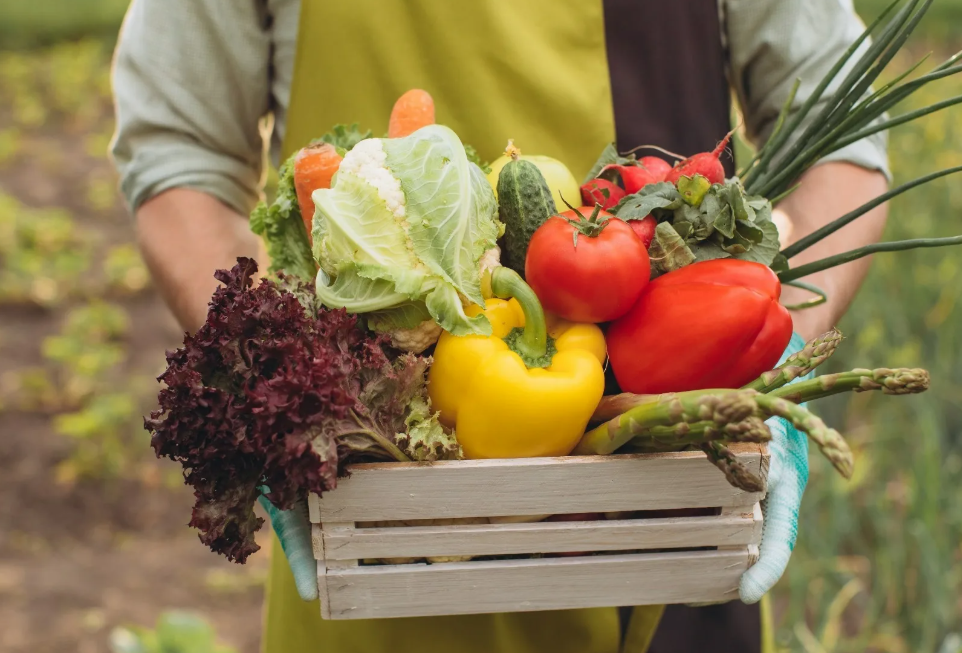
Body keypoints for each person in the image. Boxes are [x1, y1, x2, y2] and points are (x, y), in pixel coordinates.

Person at [109, 1, 890, 651]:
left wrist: (770, 335)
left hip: (670, 536)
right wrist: (275, 379)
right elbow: (180, 151)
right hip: (371, 554)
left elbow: (844, 139)